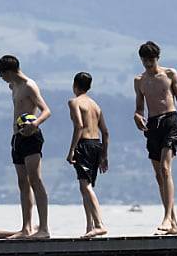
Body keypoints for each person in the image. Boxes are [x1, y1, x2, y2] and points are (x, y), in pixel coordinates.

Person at [133, 41, 177, 235]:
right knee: (158, 176)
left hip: (170, 120)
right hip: (153, 125)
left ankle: (167, 217)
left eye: (151, 60)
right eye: (145, 61)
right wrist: (137, 116)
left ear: (157, 58)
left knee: (165, 168)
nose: (148, 64)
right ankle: (174, 224)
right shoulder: (139, 81)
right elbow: (139, 107)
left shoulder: (169, 74)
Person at [0, 54, 52, 239]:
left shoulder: (29, 85)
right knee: (22, 183)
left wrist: (35, 124)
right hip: (17, 138)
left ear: (10, 71)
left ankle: (43, 228)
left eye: (2, 74)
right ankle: (26, 228)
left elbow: (46, 110)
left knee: (35, 179)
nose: (1, 78)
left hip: (31, 137)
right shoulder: (13, 86)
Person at [66, 72, 109, 238]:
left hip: (83, 145)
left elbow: (79, 126)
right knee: (86, 187)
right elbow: (105, 132)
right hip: (96, 144)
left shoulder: (74, 102)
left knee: (85, 186)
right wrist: (104, 156)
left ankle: (99, 224)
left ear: (74, 85)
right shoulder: (96, 105)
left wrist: (71, 150)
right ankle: (89, 226)